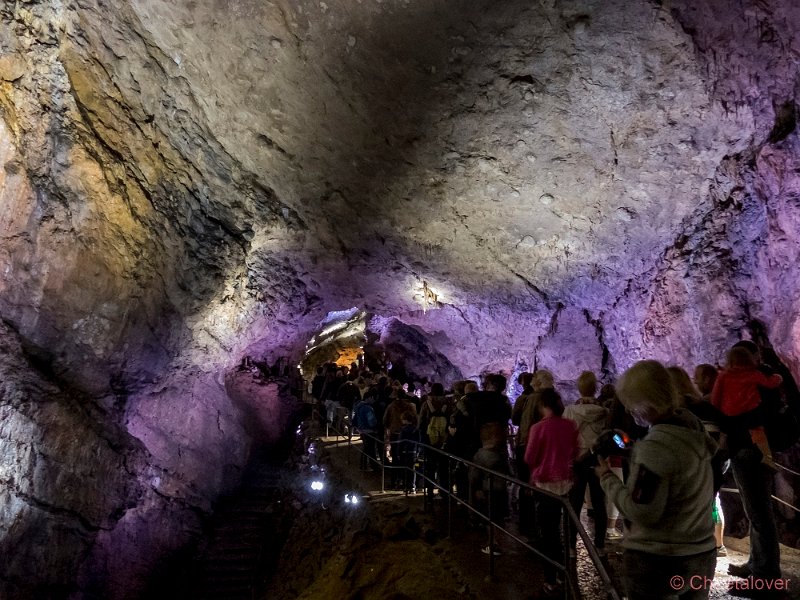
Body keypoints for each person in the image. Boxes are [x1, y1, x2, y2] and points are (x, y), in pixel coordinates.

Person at [596, 360, 716, 600]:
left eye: (631, 403)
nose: (630, 411)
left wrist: (607, 477)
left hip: (659, 559)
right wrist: (633, 451)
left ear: (645, 402)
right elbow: (673, 465)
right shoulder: (694, 435)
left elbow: (642, 512)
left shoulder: (656, 448)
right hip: (701, 553)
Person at [715, 341, 783, 594]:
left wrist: (731, 424)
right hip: (752, 448)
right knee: (754, 510)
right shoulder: (760, 376)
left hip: (751, 449)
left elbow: (759, 414)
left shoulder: (757, 376)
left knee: (759, 512)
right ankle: (757, 564)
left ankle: (766, 578)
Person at [525, 388, 579, 596]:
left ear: (543, 406)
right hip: (565, 483)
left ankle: (551, 578)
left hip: (545, 484)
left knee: (548, 532)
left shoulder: (538, 428)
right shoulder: (570, 425)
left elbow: (530, 457)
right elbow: (574, 451)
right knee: (562, 529)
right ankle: (562, 571)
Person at [564, 371, 609, 557]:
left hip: (577, 460)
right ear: (595, 388)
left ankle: (571, 546)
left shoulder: (571, 411)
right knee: (599, 504)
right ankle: (599, 545)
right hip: (597, 460)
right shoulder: (604, 412)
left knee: (574, 504)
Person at [712, 346, 782, 465]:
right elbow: (769, 383)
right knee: (758, 431)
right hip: (751, 412)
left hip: (730, 413)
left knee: (727, 434)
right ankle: (768, 458)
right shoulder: (753, 374)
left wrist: (718, 410)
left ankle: (721, 456)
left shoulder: (723, 375)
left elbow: (715, 397)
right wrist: (778, 377)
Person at [470, 422, 511, 555]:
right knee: (499, 518)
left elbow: (474, 475)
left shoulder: (480, 455)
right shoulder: (502, 454)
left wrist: (475, 488)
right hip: (502, 490)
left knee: (489, 519)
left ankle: (493, 544)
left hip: (488, 491)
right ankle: (499, 541)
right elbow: (509, 471)